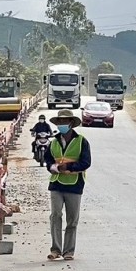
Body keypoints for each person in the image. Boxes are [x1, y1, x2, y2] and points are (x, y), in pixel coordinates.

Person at [44, 109, 91, 261]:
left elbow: (86, 162)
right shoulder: (53, 142)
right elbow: (48, 160)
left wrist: (69, 167)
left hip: (74, 185)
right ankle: (55, 249)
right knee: (55, 216)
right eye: (59, 122)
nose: (62, 124)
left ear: (71, 123)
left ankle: (69, 251)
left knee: (72, 219)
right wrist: (54, 167)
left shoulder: (82, 141)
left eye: (64, 121)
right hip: (56, 184)